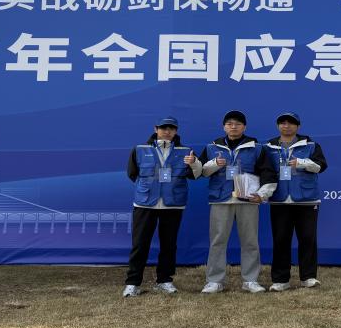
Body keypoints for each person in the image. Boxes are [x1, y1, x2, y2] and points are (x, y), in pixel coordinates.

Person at [122, 116, 201, 297]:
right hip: (145, 204)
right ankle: (133, 283)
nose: (167, 131)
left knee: (169, 245)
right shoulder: (140, 149)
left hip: (173, 204)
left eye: (171, 128)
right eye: (164, 128)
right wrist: (149, 189)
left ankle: (164, 280)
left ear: (176, 131)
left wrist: (194, 163)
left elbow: (195, 175)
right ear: (156, 129)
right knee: (139, 244)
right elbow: (132, 173)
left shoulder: (186, 151)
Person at [198, 110, 269, 294]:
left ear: (244, 127)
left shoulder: (257, 148)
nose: (233, 127)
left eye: (237, 123)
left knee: (250, 241)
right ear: (224, 127)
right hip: (220, 200)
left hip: (247, 199)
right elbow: (200, 172)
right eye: (229, 123)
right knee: (217, 241)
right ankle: (214, 281)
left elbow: (267, 173)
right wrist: (215, 164)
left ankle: (250, 280)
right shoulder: (212, 147)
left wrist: (261, 195)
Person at [259, 112, 327, 291]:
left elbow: (321, 166)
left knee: (308, 239)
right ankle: (280, 280)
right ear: (278, 126)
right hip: (280, 200)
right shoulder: (268, 147)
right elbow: (264, 171)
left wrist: (302, 162)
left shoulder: (311, 145)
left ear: (298, 126)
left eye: (290, 123)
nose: (286, 126)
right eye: (282, 123)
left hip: (306, 199)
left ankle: (308, 277)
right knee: (280, 239)